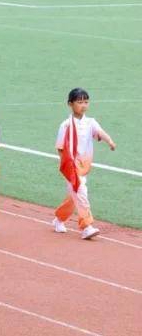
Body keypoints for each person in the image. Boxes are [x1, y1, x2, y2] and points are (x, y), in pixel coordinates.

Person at [52, 88, 115, 239]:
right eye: (79, 102)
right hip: (71, 167)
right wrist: (67, 165)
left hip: (84, 166)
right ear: (70, 104)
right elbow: (60, 147)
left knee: (74, 197)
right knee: (81, 192)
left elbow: (100, 132)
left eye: (86, 102)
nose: (83, 105)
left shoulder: (90, 122)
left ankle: (59, 219)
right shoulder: (66, 125)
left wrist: (110, 141)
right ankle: (87, 226)